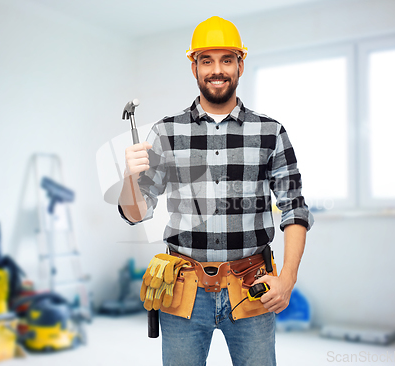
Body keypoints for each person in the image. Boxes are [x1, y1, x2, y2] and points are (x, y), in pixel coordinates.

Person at [118, 16, 313, 366]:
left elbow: (294, 208)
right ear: (194, 67)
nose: (216, 70)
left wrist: (287, 278)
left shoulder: (271, 132)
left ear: (241, 64)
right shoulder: (166, 132)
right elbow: (136, 213)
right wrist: (130, 177)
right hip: (183, 291)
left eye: (226, 59)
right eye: (206, 60)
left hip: (252, 288)